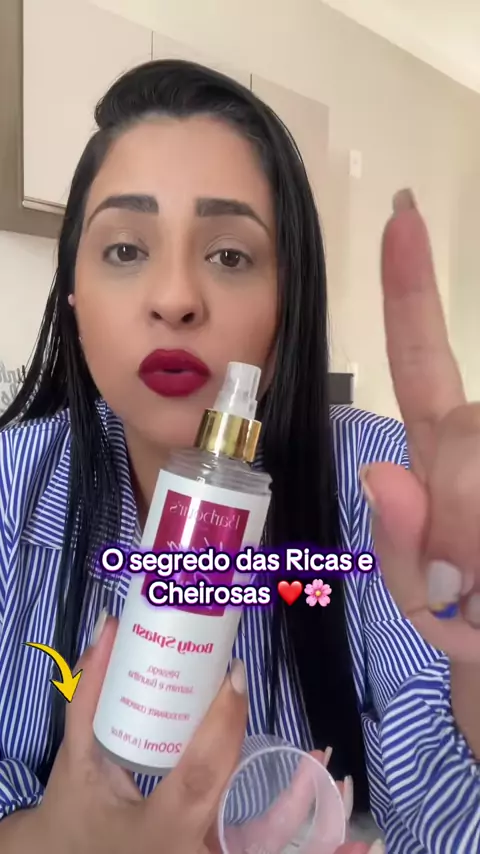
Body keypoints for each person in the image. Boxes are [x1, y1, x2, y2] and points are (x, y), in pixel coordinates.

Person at [0, 59, 479, 853]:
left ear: (287, 301)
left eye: (229, 256)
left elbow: (443, 806)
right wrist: (43, 838)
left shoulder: (377, 483)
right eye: (125, 249)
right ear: (74, 294)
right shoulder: (11, 487)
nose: (175, 298)